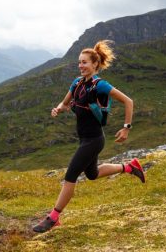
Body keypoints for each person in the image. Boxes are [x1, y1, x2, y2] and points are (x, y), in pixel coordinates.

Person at [33, 40, 145, 233]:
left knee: (71, 175)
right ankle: (129, 167)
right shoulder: (76, 83)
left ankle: (53, 218)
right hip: (84, 138)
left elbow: (128, 101)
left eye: (84, 62)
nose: (81, 66)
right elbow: (65, 102)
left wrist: (126, 127)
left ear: (95, 64)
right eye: (79, 62)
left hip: (94, 140)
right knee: (92, 174)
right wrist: (58, 109)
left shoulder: (100, 85)